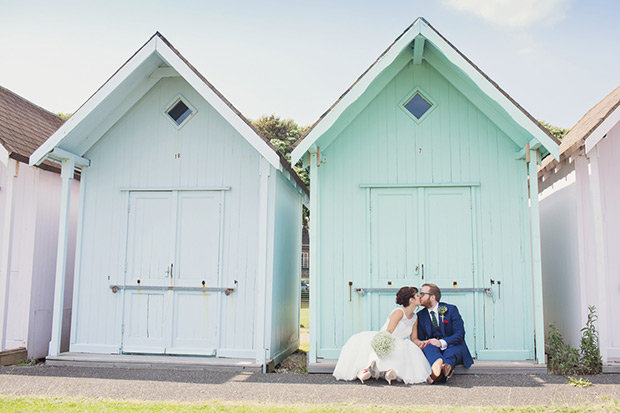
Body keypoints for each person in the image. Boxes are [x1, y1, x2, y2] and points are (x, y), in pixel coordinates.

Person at [333, 286, 431, 385]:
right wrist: (384, 344)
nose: (420, 297)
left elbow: (414, 338)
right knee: (392, 348)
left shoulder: (415, 317)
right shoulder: (399, 312)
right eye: (418, 295)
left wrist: (421, 342)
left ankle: (390, 372)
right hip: (387, 338)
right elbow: (389, 331)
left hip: (400, 342)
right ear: (411, 300)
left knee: (406, 348)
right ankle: (364, 370)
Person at [417, 283, 474, 384]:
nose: (419, 296)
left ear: (432, 297)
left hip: (453, 345)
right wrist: (426, 342)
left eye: (422, 294)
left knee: (451, 352)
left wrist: (441, 342)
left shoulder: (451, 310)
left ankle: (438, 372)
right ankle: (442, 367)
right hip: (434, 347)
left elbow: (459, 334)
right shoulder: (420, 315)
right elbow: (421, 338)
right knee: (429, 348)